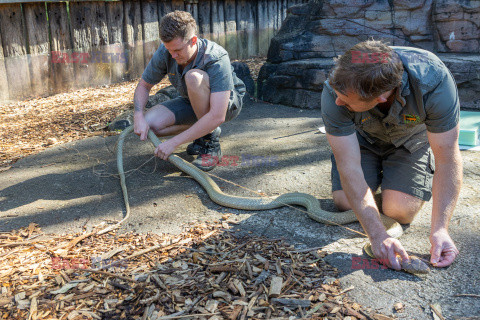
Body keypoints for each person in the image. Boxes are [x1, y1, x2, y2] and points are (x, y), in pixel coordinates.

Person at [321, 40, 462, 270]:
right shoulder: (335, 88)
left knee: (399, 211)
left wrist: (440, 229)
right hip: (362, 139)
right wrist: (377, 236)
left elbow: (447, 158)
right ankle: (374, 192)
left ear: (380, 99)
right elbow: (348, 165)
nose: (337, 102)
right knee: (345, 203)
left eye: (345, 101)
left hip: (410, 141)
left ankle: (387, 191)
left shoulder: (435, 81)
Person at [133, 10, 246, 171]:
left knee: (193, 78)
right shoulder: (168, 50)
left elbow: (218, 115)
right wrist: (138, 115)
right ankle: (200, 132)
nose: (172, 55)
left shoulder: (216, 57)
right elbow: (143, 86)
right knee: (150, 124)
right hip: (192, 101)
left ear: (193, 40)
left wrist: (174, 143)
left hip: (226, 104)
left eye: (177, 50)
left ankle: (210, 141)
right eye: (169, 49)